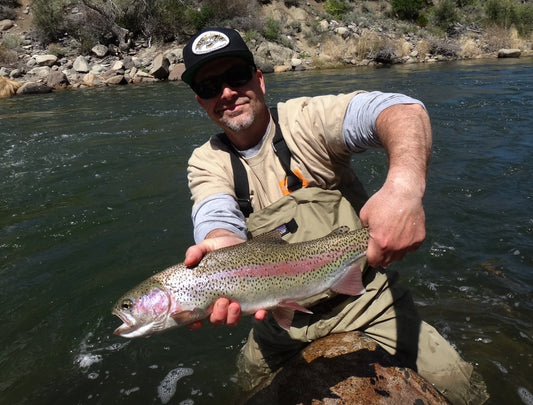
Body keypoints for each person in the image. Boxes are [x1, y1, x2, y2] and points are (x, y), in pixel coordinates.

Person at [180, 27, 488, 404]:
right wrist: (221, 246)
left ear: (259, 80)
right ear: (201, 101)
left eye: (236, 77)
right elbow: (215, 215)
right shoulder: (205, 161)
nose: (226, 93)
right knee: (244, 395)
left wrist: (403, 190)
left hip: (366, 302)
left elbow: (401, 110)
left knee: (461, 389)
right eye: (211, 86)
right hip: (280, 325)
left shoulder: (306, 121)